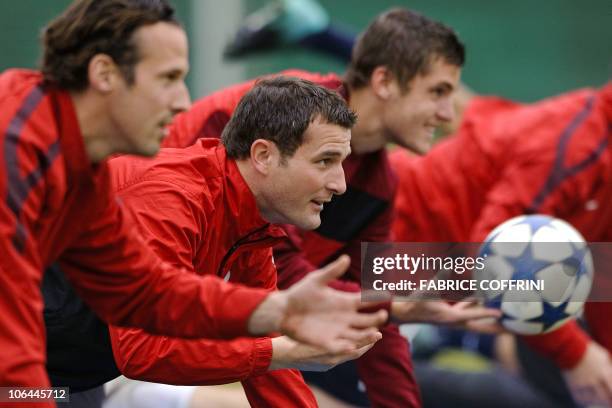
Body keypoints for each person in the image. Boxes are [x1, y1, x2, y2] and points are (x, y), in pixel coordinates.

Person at [0, 0, 385, 399]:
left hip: (61, 378)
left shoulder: (254, 222)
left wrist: (276, 331)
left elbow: (162, 300)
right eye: (168, 78)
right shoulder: (164, 192)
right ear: (104, 75)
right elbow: (143, 348)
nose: (184, 101)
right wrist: (279, 345)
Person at [164, 8, 500, 408]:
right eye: (438, 92)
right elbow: (280, 274)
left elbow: (368, 319)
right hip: (122, 323)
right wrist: (399, 303)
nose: (449, 114)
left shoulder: (379, 184)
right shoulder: (275, 112)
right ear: (384, 82)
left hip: (207, 331)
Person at [390, 82, 612, 407]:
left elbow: (603, 274)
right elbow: (494, 254)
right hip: (394, 252)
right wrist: (576, 355)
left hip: (458, 283)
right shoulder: (580, 144)